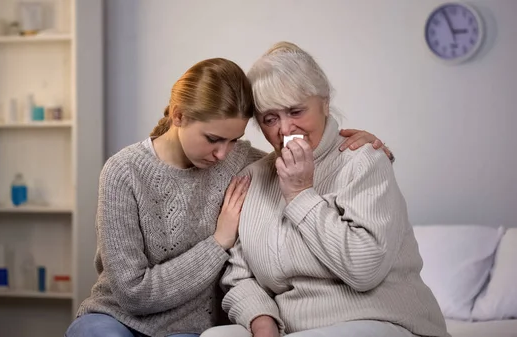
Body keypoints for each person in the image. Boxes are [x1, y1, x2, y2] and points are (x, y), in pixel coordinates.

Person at [65, 57, 391, 337]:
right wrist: (217, 242)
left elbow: (305, 164)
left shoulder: (241, 163)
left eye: (234, 140)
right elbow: (133, 294)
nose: (222, 154)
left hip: (192, 325)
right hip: (116, 316)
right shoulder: (122, 172)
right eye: (213, 139)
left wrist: (365, 149)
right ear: (178, 116)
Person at [201, 42, 449, 337]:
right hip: (292, 327)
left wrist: (300, 194)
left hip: (382, 320)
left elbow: (364, 270)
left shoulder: (364, 160)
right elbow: (240, 274)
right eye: (270, 119)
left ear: (325, 103)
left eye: (296, 111)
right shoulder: (254, 177)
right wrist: (261, 319)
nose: (284, 128)